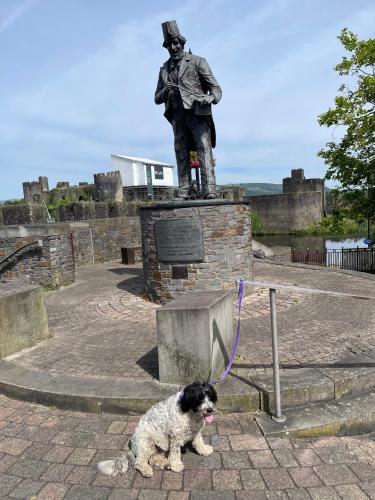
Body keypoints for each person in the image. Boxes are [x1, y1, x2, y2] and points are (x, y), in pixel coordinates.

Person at [155, 20, 222, 199]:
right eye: (169, 44)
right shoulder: (163, 70)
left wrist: (209, 98)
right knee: (181, 151)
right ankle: (184, 189)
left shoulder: (198, 62)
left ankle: (209, 189)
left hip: (198, 114)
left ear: (182, 43)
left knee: (203, 149)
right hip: (177, 117)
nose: (173, 47)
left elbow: (216, 89)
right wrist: (166, 91)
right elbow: (156, 98)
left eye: (176, 43)